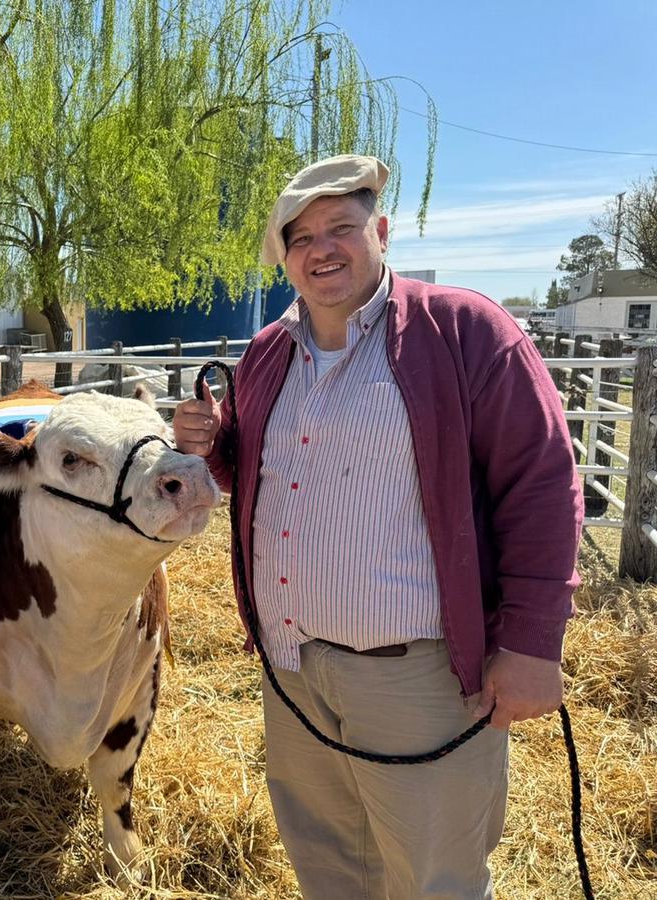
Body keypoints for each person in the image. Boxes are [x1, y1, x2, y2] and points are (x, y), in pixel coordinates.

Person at [173, 155, 582, 898]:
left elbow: (543, 484)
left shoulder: (464, 331)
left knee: (435, 880)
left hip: (418, 675)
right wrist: (215, 444)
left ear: (382, 232)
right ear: (284, 259)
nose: (321, 249)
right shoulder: (270, 351)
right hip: (294, 665)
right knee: (328, 865)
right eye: (301, 238)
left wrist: (530, 644)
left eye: (342, 228)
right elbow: (261, 474)